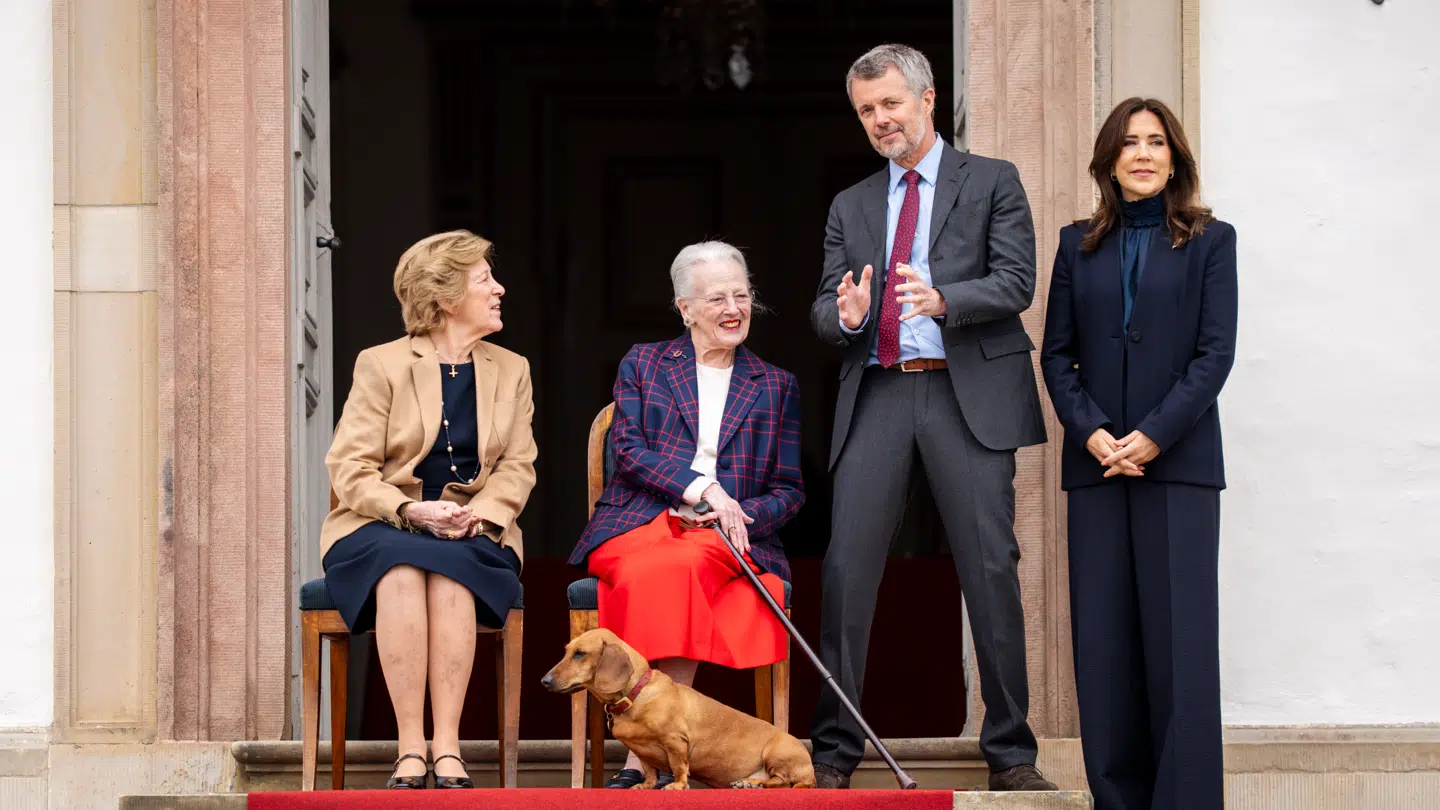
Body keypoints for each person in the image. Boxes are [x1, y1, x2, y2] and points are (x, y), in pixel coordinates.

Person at [807, 44, 1056, 791]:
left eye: (889, 104)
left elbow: (1015, 280)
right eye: (866, 111)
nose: (880, 120)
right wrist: (846, 316)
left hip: (964, 391)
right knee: (848, 570)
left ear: (927, 99)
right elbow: (825, 308)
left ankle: (1011, 755)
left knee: (989, 570)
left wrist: (945, 299)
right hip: (879, 389)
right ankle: (834, 755)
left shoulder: (993, 181)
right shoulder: (849, 204)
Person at [1040, 97, 1236, 810]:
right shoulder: (1075, 244)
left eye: (1156, 142)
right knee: (1106, 650)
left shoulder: (1213, 241)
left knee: (1179, 652)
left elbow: (1214, 355)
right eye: (1129, 143)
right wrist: (1092, 432)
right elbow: (1057, 355)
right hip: (1097, 471)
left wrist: (1154, 433)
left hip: (1178, 468)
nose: (1144, 154)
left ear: (1175, 157)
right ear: (1109, 159)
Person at [568, 240, 805, 789]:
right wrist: (704, 488)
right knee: (651, 567)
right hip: (637, 520)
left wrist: (738, 513)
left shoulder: (775, 385)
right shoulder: (644, 362)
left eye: (742, 295)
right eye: (717, 297)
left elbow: (790, 489)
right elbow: (628, 452)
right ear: (685, 308)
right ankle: (655, 748)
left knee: (678, 567)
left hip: (724, 535)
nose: (733, 309)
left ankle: (642, 756)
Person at [321, 230, 537, 790]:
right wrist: (407, 511)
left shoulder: (512, 369)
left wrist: (483, 515)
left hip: (473, 531)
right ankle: (410, 747)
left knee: (449, 575)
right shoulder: (383, 364)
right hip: (381, 526)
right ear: (445, 296)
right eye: (485, 280)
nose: (499, 290)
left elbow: (519, 466)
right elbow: (348, 467)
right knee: (401, 569)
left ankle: (448, 747)